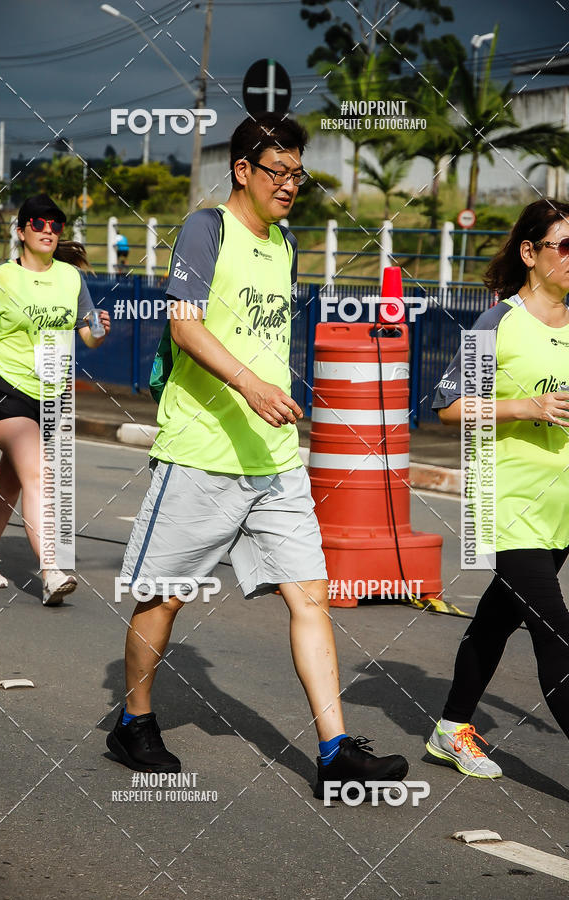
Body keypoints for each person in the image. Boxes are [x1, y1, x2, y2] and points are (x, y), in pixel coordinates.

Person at [106, 113, 409, 797]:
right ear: (242, 170)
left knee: (310, 594)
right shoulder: (205, 228)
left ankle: (335, 752)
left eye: (299, 174)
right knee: (166, 596)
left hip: (273, 456)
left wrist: (268, 396)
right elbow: (184, 325)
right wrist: (248, 384)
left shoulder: (286, 244)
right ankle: (133, 721)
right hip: (202, 450)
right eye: (279, 171)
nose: (290, 185)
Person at [427, 198, 569, 778]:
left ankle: (450, 727)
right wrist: (526, 406)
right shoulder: (499, 323)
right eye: (566, 246)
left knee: (497, 618)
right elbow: (449, 407)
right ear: (530, 253)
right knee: (556, 634)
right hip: (506, 504)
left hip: (560, 509)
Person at [0, 193, 111, 604]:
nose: (48, 230)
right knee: (38, 472)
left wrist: (99, 329)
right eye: (38, 223)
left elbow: (88, 336)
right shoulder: (2, 277)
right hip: (5, 389)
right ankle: (51, 571)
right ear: (21, 231)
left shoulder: (71, 278)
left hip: (50, 398)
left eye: (55, 225)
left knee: (11, 482)